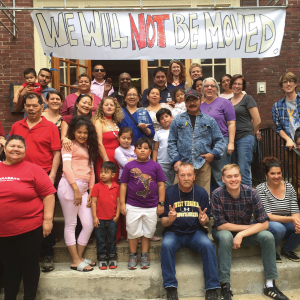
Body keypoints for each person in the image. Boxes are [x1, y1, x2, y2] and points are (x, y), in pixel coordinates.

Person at [211, 164, 289, 300]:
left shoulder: (251, 192)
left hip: (244, 233)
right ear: (223, 179)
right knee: (226, 236)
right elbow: (221, 226)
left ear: (240, 177)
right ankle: (225, 286)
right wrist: (247, 229)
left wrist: (241, 234)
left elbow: (264, 223)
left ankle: (270, 285)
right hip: (224, 232)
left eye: (236, 176)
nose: (233, 179)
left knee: (267, 236)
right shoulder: (217, 194)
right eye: (229, 177)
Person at [10, 92, 61, 272]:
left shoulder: (51, 127)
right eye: (28, 106)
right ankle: (27, 255)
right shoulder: (17, 125)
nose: (31, 109)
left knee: (45, 216)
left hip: (43, 176)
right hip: (20, 176)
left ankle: (47, 254)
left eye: (34, 106)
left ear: (42, 107)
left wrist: (52, 175)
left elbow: (56, 153)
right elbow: (11, 150)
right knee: (23, 214)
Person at [0, 135, 55, 300]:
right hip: (3, 232)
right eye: (12, 146)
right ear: (4, 148)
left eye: (20, 147)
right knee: (9, 267)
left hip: (30, 229)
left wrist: (47, 220)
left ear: (25, 151)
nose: (16, 149)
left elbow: (49, 195)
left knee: (30, 265)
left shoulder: (33, 169)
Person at [160, 162, 220, 300]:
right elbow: (163, 222)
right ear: (177, 176)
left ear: (194, 176)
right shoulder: (169, 192)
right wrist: (170, 219)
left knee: (208, 246)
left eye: (189, 175)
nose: (186, 178)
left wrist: (203, 219)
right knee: (166, 245)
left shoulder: (201, 193)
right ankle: (170, 287)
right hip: (174, 232)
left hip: (195, 233)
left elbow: (205, 222)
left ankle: (211, 288)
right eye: (182, 175)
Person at [57, 116, 98, 272]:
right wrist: (75, 190)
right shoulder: (68, 145)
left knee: (88, 224)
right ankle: (74, 260)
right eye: (79, 132)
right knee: (71, 224)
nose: (82, 135)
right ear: (73, 131)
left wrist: (91, 191)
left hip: (84, 190)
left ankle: (79, 257)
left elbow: (92, 171)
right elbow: (66, 168)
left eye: (85, 132)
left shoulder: (88, 148)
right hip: (70, 187)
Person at [120, 138, 166, 269]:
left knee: (148, 232)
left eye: (146, 148)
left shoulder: (155, 166)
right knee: (133, 232)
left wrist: (161, 203)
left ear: (150, 151)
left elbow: (161, 185)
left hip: (151, 206)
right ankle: (133, 255)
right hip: (133, 205)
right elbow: (123, 185)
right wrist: (122, 204)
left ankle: (145, 255)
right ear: (134, 151)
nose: (142, 150)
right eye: (140, 148)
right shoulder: (129, 166)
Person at [168, 89, 225, 196]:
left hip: (203, 164)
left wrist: (213, 154)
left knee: (203, 195)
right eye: (188, 100)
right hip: (183, 164)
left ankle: (204, 213)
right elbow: (171, 142)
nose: (192, 103)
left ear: (200, 100)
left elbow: (220, 140)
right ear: (185, 102)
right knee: (178, 195)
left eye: (194, 99)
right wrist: (175, 161)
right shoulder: (177, 120)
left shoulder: (210, 121)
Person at [256, 157, 300, 262]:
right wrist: (292, 220)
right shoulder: (261, 189)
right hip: (267, 222)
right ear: (266, 175)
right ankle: (270, 250)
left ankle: (287, 249)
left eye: (279, 173)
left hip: (285, 221)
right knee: (279, 228)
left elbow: (295, 210)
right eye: (272, 173)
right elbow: (268, 216)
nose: (276, 176)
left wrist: (297, 223)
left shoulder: (289, 187)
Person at [200, 78, 236, 192]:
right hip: (205, 144)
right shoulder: (200, 106)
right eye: (206, 86)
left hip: (221, 142)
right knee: (208, 177)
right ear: (203, 89)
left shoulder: (225, 102)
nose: (209, 88)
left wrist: (231, 143)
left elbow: (231, 123)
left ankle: (226, 203)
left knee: (221, 175)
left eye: (212, 86)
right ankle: (213, 205)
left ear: (217, 88)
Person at [230, 74, 261, 187]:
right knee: (234, 170)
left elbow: (257, 120)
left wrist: (251, 135)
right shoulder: (228, 101)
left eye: (239, 84)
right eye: (234, 83)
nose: (237, 86)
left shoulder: (247, 98)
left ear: (243, 86)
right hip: (232, 139)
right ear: (231, 84)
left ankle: (248, 199)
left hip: (245, 138)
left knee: (243, 170)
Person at [272, 72, 300, 194]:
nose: (288, 84)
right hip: (292, 147)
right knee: (296, 177)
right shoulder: (277, 106)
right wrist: (288, 139)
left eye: (291, 81)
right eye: (285, 82)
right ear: (282, 86)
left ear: (295, 84)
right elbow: (278, 128)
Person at [91, 161, 120, 270]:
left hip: (112, 219)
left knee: (112, 239)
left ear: (113, 175)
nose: (102, 174)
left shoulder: (116, 187)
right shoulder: (96, 187)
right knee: (101, 239)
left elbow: (118, 202)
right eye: (101, 171)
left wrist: (117, 215)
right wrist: (94, 217)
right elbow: (93, 202)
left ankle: (112, 257)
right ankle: (102, 258)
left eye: (106, 172)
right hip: (100, 219)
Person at [92, 96, 124, 184]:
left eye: (111, 105)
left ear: (115, 108)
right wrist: (106, 161)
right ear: (102, 107)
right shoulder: (98, 121)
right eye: (106, 105)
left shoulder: (115, 122)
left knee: (116, 186)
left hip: (117, 159)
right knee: (105, 186)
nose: (109, 107)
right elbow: (99, 143)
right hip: (104, 158)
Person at [153, 108, 175, 189]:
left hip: (174, 161)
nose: (165, 119)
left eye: (166, 116)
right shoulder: (158, 133)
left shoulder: (177, 131)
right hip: (162, 163)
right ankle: (164, 200)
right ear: (159, 122)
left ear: (171, 117)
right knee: (164, 184)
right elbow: (155, 149)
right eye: (162, 118)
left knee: (174, 183)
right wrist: (154, 163)